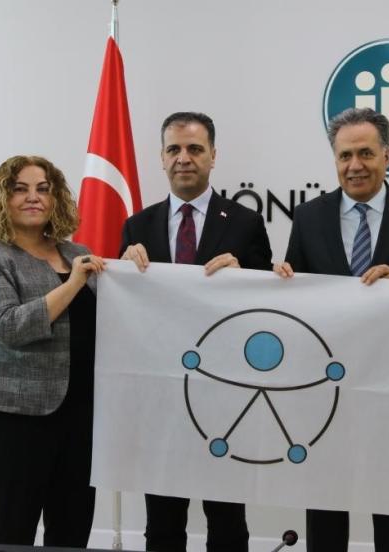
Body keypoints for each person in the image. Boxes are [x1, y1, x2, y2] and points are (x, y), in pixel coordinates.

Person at [274, 107, 389, 552]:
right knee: (326, 512)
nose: (355, 165)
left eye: (366, 153)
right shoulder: (308, 217)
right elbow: (296, 299)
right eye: (345, 155)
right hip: (324, 388)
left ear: (387, 156)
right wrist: (282, 281)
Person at [120, 112, 272, 552]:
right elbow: (122, 312)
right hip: (160, 393)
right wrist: (121, 270)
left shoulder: (245, 222)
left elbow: (267, 306)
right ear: (161, 158)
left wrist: (244, 276)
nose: (183, 158)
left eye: (194, 149)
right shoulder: (137, 226)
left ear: (213, 156)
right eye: (174, 149)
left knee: (227, 519)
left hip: (225, 392)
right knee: (163, 519)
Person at [0, 155, 105, 547]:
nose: (33, 197)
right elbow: (8, 326)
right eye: (20, 189)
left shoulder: (77, 252)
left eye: (43, 189)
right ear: (2, 198)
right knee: (15, 527)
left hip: (81, 412)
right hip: (15, 413)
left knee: (73, 526)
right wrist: (73, 284)